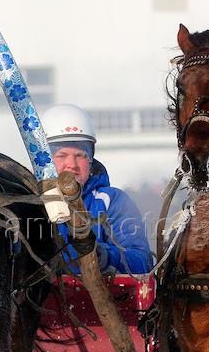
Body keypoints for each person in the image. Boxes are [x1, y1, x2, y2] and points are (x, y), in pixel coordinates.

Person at [42, 104, 153, 275]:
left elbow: (142, 261)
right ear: (45, 161)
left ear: (91, 160)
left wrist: (106, 256)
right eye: (61, 156)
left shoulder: (112, 201)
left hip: (103, 298)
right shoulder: (30, 202)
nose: (72, 165)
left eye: (80, 155)